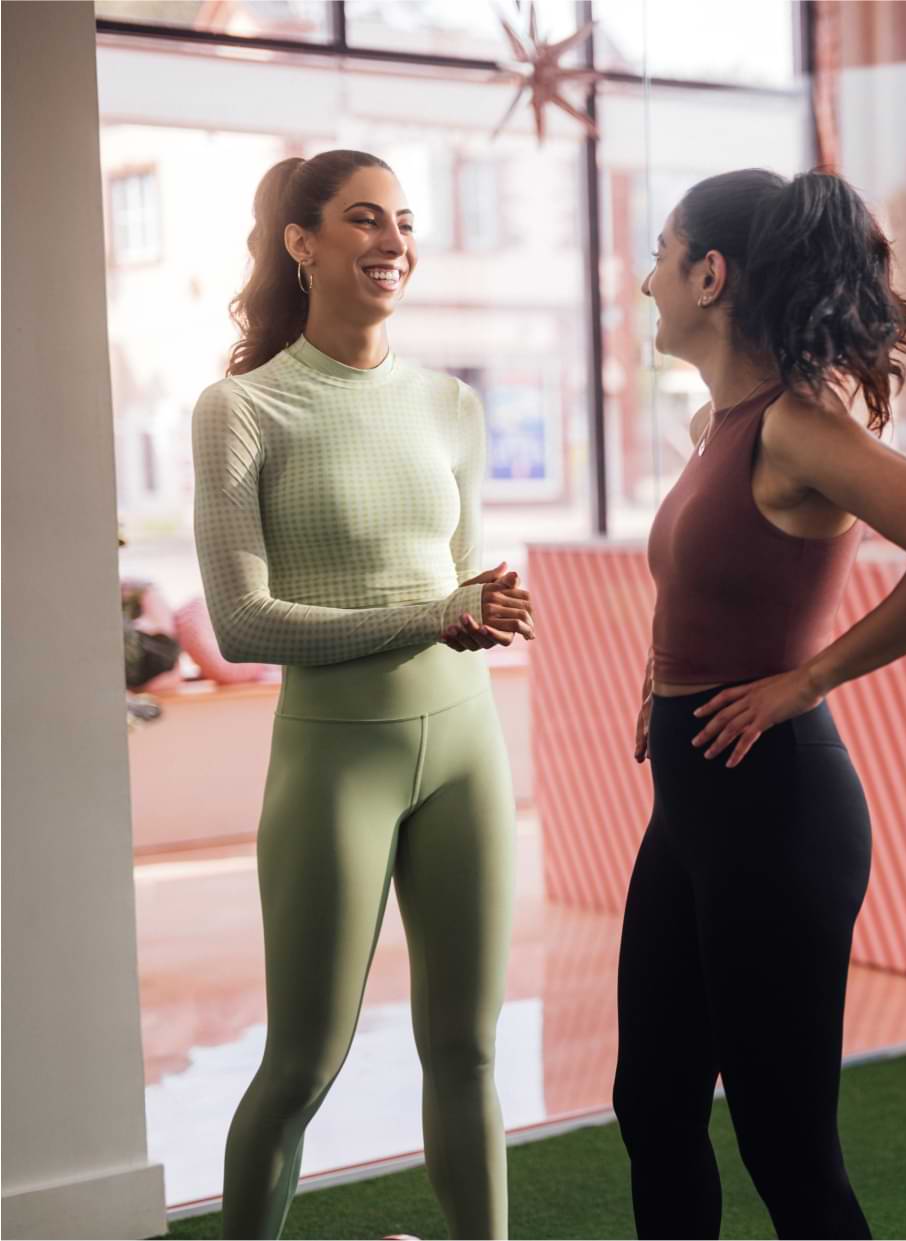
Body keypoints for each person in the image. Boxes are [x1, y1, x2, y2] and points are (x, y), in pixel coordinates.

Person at [616, 168, 906, 1240]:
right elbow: (717, 583)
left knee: (785, 1147)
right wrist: (661, 677)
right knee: (649, 1104)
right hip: (693, 806)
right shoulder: (718, 422)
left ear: (708, 274)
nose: (644, 277)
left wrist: (807, 678)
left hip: (776, 810)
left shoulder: (795, 427)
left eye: (659, 253)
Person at [191, 149, 535, 1240]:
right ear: (301, 243)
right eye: (362, 220)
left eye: (402, 221)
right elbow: (244, 622)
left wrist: (480, 604)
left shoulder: (448, 402)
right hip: (335, 762)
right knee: (301, 1064)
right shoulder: (241, 408)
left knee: (471, 1048)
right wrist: (425, 611)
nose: (392, 242)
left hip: (466, 746)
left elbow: (458, 580)